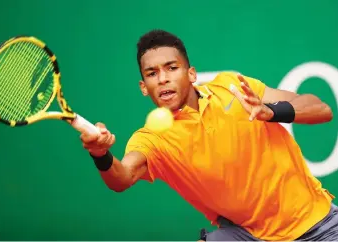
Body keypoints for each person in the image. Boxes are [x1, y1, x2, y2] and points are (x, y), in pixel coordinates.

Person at [80, 29, 338, 241]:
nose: (162, 79)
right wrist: (100, 154)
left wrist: (271, 111)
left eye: (172, 68)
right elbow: (122, 178)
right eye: (152, 74)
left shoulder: (233, 88)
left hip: (319, 225)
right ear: (143, 88)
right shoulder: (152, 139)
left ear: (191, 74)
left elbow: (321, 109)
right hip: (249, 236)